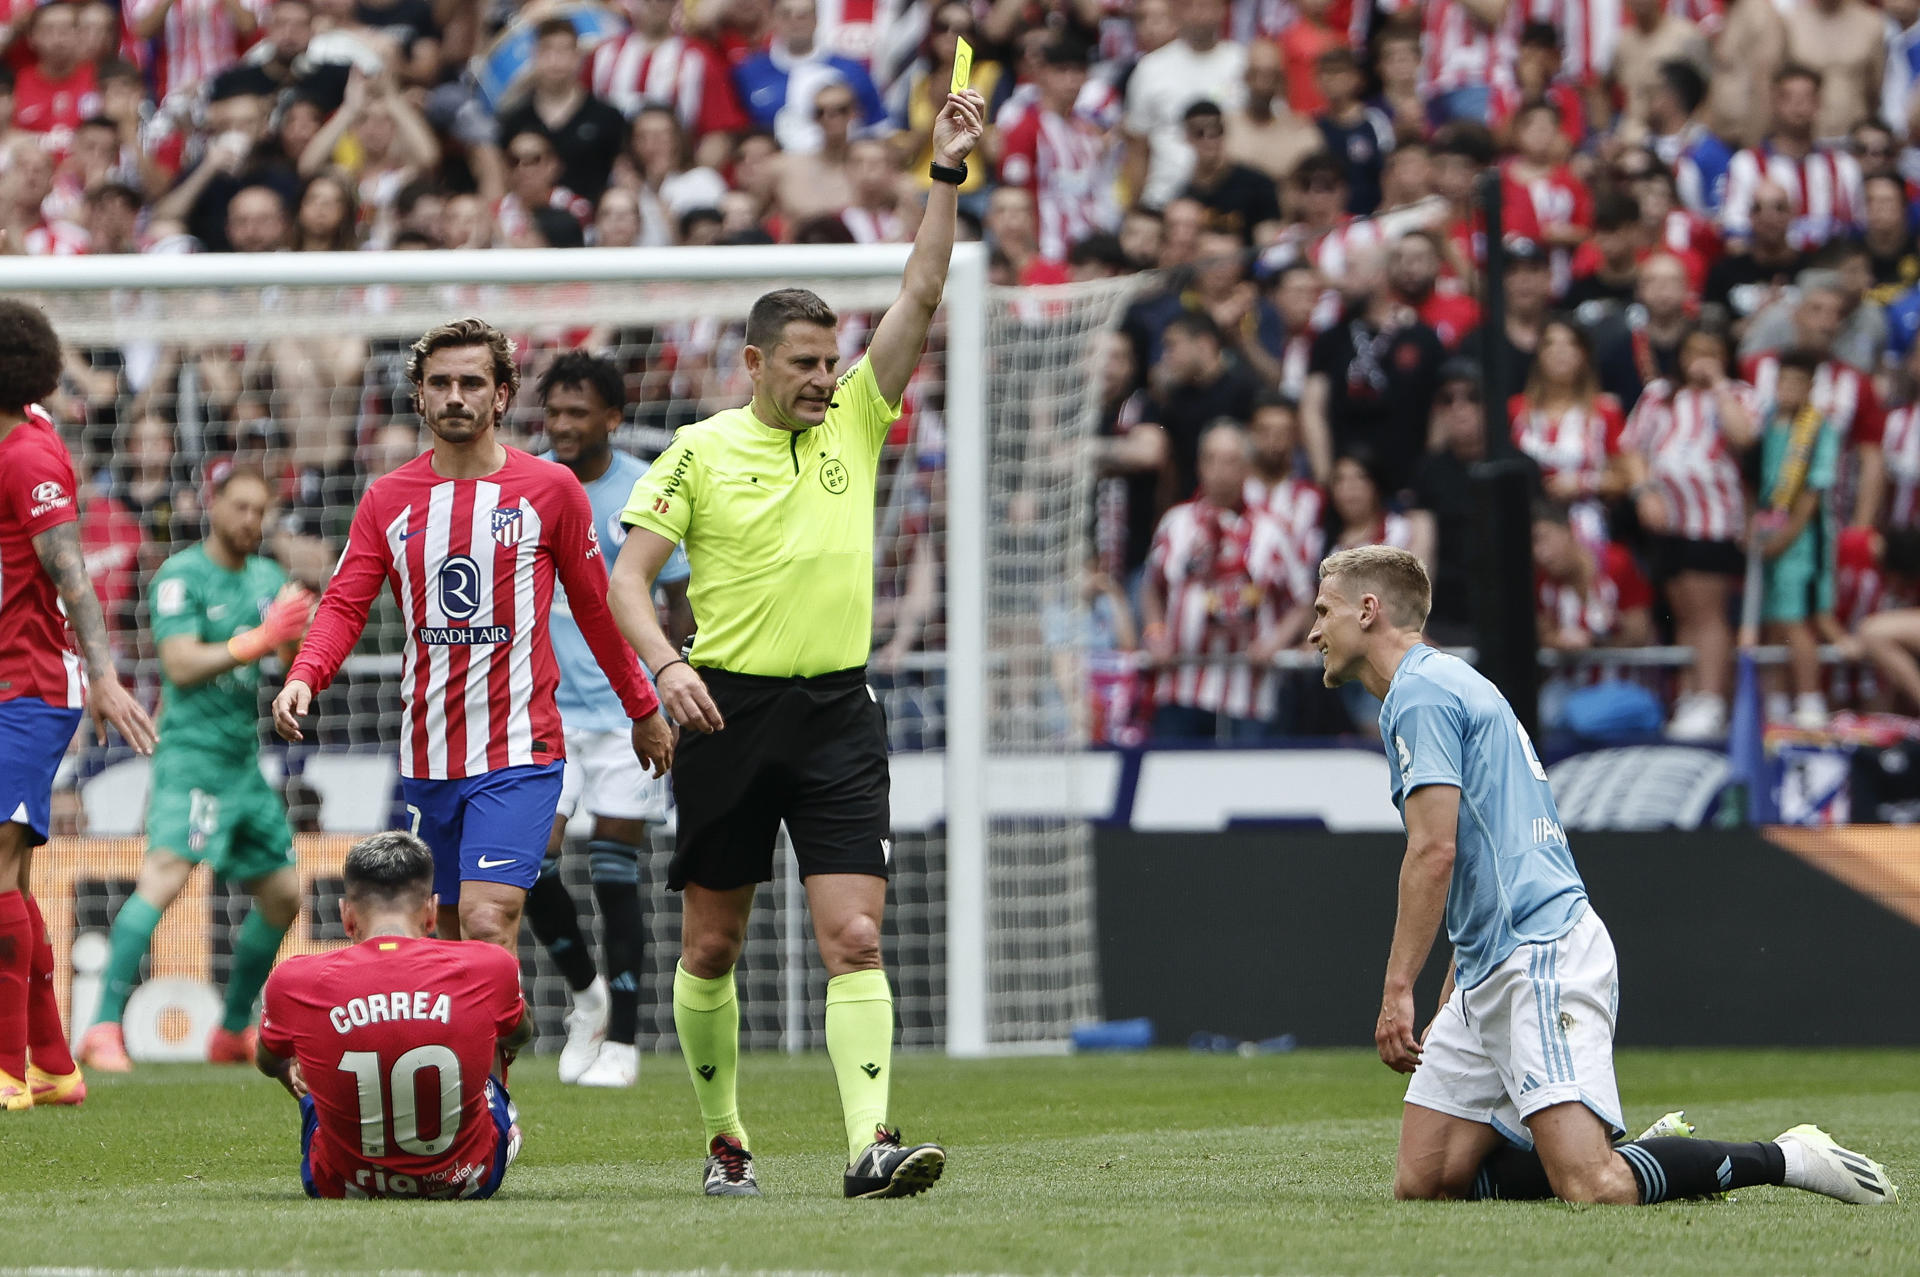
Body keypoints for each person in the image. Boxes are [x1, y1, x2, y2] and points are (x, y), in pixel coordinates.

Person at [605, 88, 988, 1202]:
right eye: (807, 363)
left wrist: (946, 173)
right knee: (711, 948)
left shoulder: (860, 419)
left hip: (835, 714)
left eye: (833, 361)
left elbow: (922, 289)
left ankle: (871, 1142)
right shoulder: (695, 450)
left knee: (856, 934)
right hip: (722, 709)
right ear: (755, 362)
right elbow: (627, 583)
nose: (827, 379)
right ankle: (726, 1137)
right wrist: (667, 667)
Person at [1305, 543, 1899, 1207]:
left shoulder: (1420, 694)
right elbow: (1483, 858)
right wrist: (1455, 987)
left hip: (1540, 954)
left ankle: (1790, 1157)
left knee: (1594, 1185)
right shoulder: (1443, 684)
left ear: (1368, 609)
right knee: (1428, 1180)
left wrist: (1398, 990)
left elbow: (1434, 851)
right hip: (1489, 963)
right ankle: (1641, 1153)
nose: (1313, 631)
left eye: (1323, 610)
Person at [272, 319, 673, 953]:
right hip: (428, 753)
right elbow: (345, 604)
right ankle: (512, 1019)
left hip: (520, 751)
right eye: (440, 383)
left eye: (472, 382)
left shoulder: (551, 490)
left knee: (489, 921)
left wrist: (642, 707)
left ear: (502, 394)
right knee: (450, 938)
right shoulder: (387, 499)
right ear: (419, 396)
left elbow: (597, 610)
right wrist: (305, 675)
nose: (455, 396)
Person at [79, 470, 316, 1075]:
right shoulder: (180, 576)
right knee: (164, 877)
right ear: (214, 505)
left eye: (259, 510)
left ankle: (232, 1030)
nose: (250, 520)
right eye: (240, 507)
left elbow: (285, 656)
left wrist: (295, 636)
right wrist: (263, 637)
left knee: (284, 894)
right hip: (190, 756)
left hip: (243, 762)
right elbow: (180, 665)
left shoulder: (267, 578)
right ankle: (101, 1027)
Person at [0, 300, 157, 1111]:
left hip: (27, 687)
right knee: (13, 884)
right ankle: (55, 1066)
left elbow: (73, 577)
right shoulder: (19, 425)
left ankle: (6, 1071)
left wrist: (103, 674)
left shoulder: (29, 456)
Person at [520, 352, 692, 1091]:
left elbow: (678, 600)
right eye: (553, 412)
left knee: (616, 874)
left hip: (629, 712)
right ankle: (587, 996)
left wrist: (673, 682)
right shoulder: (528, 486)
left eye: (577, 412)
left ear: (612, 418)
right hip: (546, 712)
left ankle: (622, 1041)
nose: (561, 425)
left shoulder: (642, 490)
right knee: (531, 862)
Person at [255, 831, 531, 1200]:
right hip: (468, 1182)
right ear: (432, 912)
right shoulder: (488, 965)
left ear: (347, 916)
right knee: (491, 1027)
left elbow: (267, 1060)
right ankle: (497, 1132)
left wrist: (300, 1077)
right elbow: (519, 1033)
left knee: (312, 1056)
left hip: (343, 1185)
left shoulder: (294, 979)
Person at [1620, 328, 1758, 742]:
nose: (1701, 358)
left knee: (1708, 612)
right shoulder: (1659, 395)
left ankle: (1713, 697)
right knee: (1682, 612)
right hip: (1668, 519)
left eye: (1711, 351)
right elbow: (1632, 447)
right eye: (1694, 351)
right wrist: (1644, 493)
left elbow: (1745, 438)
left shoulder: (1740, 394)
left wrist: (1717, 385)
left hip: (1713, 520)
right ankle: (1690, 694)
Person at [1142, 421, 1307, 743]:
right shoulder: (1175, 522)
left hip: (1247, 694)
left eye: (1230, 460)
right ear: (1199, 465)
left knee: (1246, 775)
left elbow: (1302, 600)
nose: (1219, 470)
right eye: (1211, 459)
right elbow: (1151, 587)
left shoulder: (1272, 530)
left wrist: (1275, 643)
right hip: (1180, 685)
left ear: (1247, 468)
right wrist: (1155, 632)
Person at [1753, 349, 1840, 731]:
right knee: (1771, 621)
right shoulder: (1766, 422)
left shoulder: (1818, 428)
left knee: (1795, 620)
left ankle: (1809, 698)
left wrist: (1786, 537)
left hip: (1803, 542)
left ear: (1810, 387)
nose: (1788, 389)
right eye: (1783, 381)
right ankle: (1775, 701)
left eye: (1796, 382)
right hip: (1767, 533)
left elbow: (1813, 490)